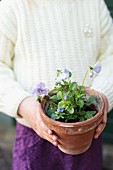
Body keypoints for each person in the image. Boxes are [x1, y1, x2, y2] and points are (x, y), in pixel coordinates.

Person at [0, 0, 112, 169]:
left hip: (87, 133)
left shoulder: (93, 3)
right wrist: (22, 104)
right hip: (33, 134)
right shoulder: (13, 6)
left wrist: (102, 96)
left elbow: (110, 56)